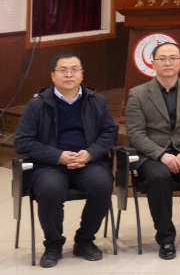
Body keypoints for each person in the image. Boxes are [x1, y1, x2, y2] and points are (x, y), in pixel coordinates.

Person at [14, 52, 117, 268]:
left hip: (87, 161)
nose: (69, 74)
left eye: (74, 70)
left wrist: (90, 153)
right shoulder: (37, 105)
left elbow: (109, 133)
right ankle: (53, 244)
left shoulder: (96, 101)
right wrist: (57, 156)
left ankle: (84, 240)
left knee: (102, 185)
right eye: (63, 70)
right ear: (53, 75)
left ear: (82, 74)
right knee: (50, 189)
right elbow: (22, 142)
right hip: (49, 164)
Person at [124, 42, 180, 259]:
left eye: (173, 58)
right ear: (152, 63)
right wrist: (162, 155)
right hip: (153, 155)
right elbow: (135, 133)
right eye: (162, 58)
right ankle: (165, 238)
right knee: (159, 177)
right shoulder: (138, 94)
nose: (167, 62)